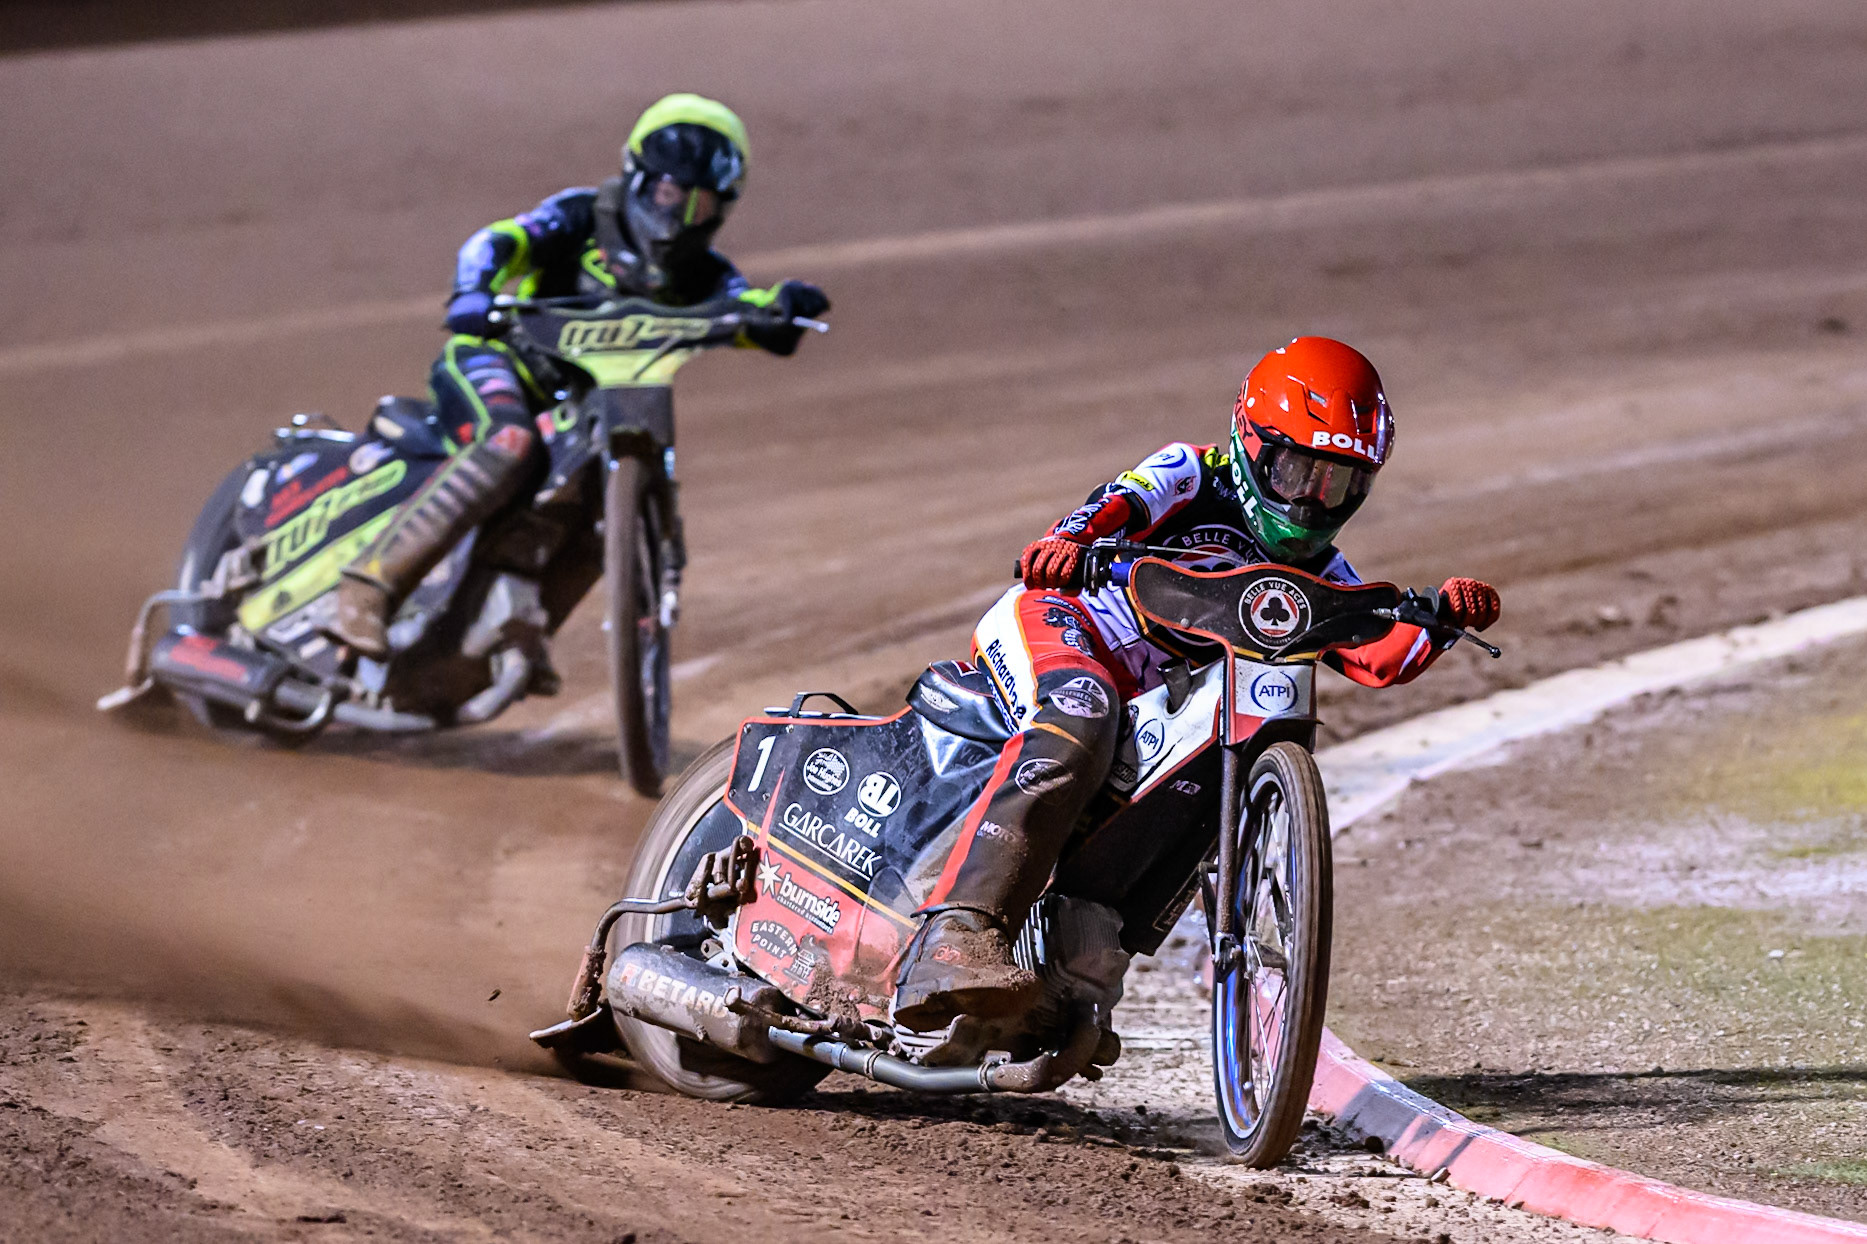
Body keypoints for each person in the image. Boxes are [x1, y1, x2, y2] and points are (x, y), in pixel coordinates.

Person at [891, 336, 1501, 1031]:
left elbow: (1377, 657)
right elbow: (1111, 508)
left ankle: (1075, 960)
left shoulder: (1322, 576)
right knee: (1081, 710)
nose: (1310, 500)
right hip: (1065, 623)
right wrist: (1069, 545)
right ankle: (956, 935)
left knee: (1208, 767)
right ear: (1248, 440)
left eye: (1337, 482)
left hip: (1158, 701)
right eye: (1296, 469)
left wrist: (1444, 616)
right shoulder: (1186, 473)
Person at [326, 92, 830, 658]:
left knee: (597, 515)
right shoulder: (582, 216)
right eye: (667, 193)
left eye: (699, 205)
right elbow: (498, 241)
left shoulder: (703, 274)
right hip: (499, 362)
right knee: (509, 442)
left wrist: (781, 309)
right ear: (638, 179)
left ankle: (502, 637)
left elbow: (740, 308)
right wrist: (475, 292)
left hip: (586, 411)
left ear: (723, 209)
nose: (677, 217)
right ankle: (366, 588)